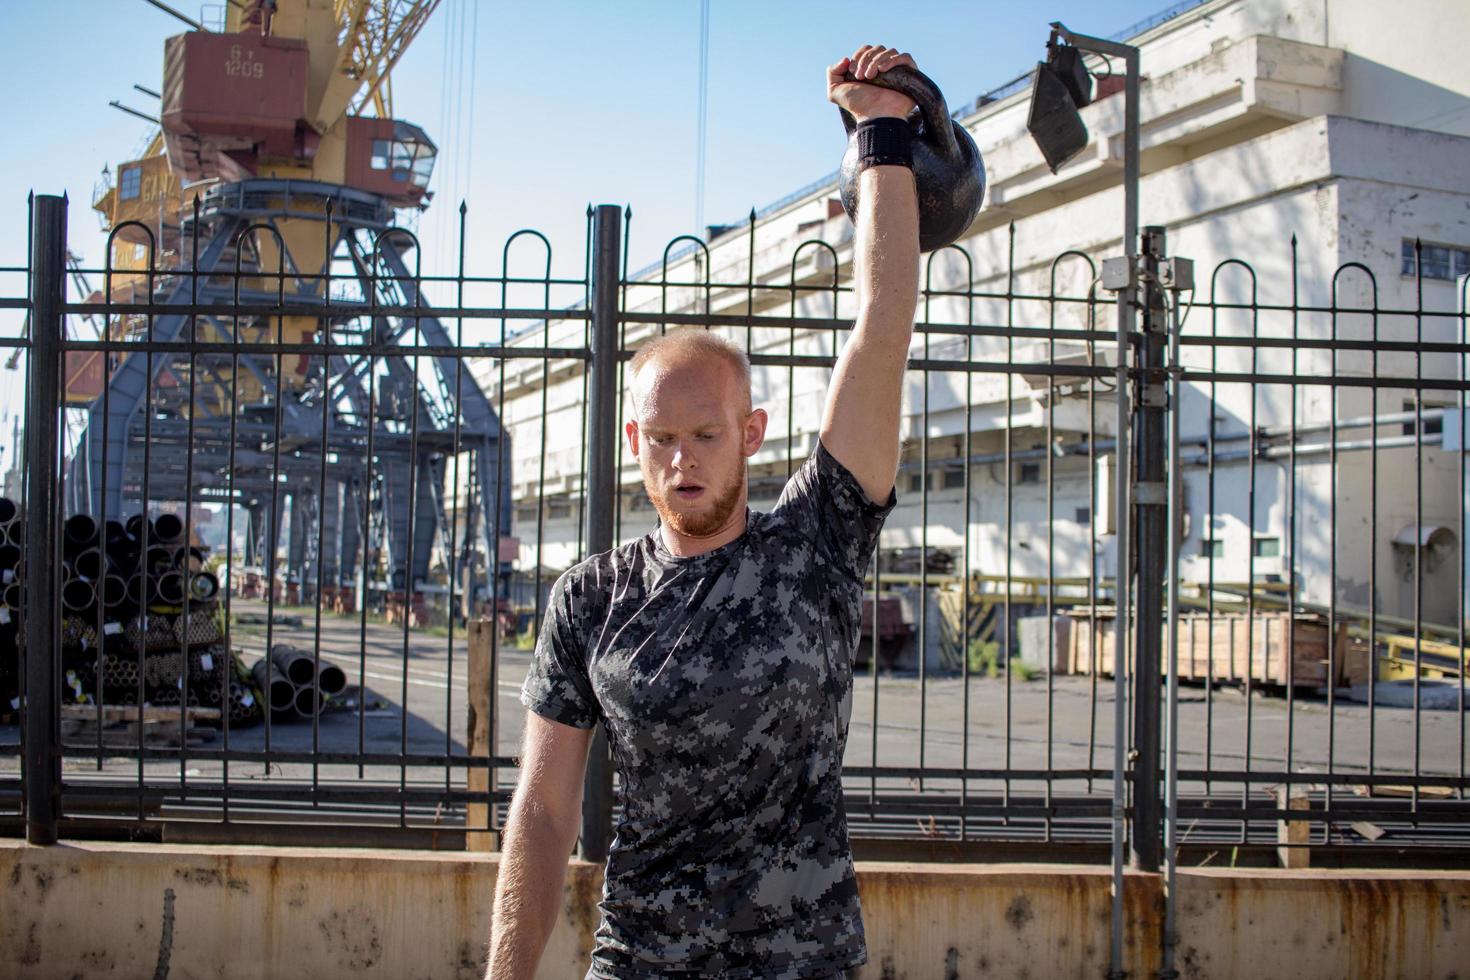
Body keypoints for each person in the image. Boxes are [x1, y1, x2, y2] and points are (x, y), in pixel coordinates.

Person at [486, 43, 922, 980]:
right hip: (643, 962)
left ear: (753, 431)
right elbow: (545, 809)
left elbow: (882, 328)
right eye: (661, 438)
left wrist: (882, 129)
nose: (682, 459)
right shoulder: (592, 599)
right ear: (635, 441)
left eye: (707, 436)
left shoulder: (819, 544)